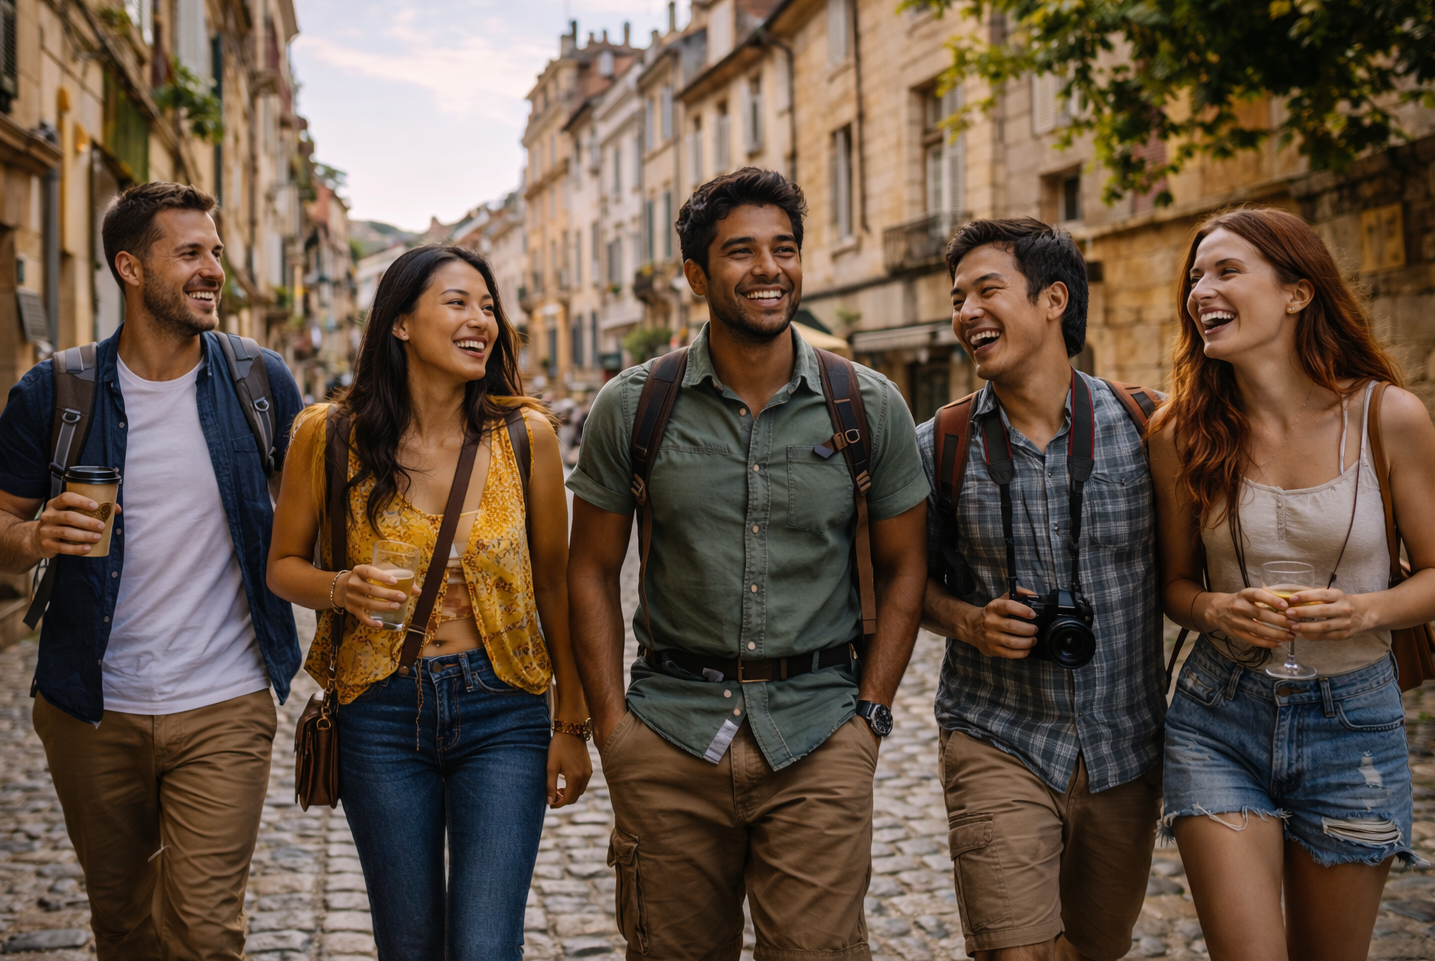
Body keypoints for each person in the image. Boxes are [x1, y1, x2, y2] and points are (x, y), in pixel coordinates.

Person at [567, 167, 930, 961]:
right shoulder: (633, 407)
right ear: (697, 275)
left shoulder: (868, 406)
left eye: (785, 248)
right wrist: (611, 729)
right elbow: (589, 570)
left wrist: (869, 716)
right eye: (741, 252)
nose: (769, 268)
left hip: (819, 737)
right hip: (668, 734)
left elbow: (907, 568)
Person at [0, 182, 304, 960]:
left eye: (215, 252)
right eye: (189, 253)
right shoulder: (56, 391)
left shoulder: (261, 383)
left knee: (205, 933)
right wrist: (36, 536)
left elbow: (310, 523)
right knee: (123, 928)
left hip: (225, 699)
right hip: (92, 705)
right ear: (129, 267)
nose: (212, 268)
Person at [1148, 208, 1435, 961]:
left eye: (1226, 271)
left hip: (1352, 726)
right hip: (1216, 715)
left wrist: (1363, 609)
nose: (1201, 290)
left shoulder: (1390, 417)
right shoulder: (1179, 431)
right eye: (1196, 276)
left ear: (1297, 293)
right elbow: (1176, 588)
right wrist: (1218, 608)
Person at [266, 244, 591, 961]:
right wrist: (340, 587)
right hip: (378, 713)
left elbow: (556, 587)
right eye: (457, 303)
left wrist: (572, 722)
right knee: (407, 945)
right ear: (401, 323)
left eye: (487, 306)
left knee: (485, 945)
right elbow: (282, 568)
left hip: (502, 709)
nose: (482, 319)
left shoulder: (526, 436)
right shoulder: (328, 435)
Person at [918, 218, 1166, 961]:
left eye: (986, 290)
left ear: (1054, 298)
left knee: (1096, 949)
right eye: (957, 297)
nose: (965, 313)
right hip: (996, 734)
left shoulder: (1147, 424)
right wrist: (967, 622)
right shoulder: (941, 444)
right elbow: (900, 581)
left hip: (1127, 749)